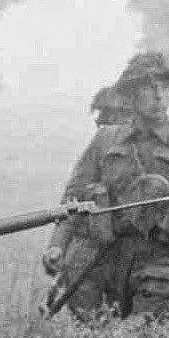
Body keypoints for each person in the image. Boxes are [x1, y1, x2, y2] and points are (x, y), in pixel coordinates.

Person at [43, 52, 169, 318]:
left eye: (165, 88)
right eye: (149, 88)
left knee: (141, 333)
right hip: (106, 260)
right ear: (132, 94)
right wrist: (57, 246)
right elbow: (72, 201)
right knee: (95, 331)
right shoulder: (105, 141)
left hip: (164, 263)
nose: (159, 96)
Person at [42, 84, 132, 315]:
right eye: (107, 117)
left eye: (118, 115)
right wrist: (57, 246)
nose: (111, 123)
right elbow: (73, 199)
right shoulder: (100, 145)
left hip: (136, 256)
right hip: (92, 250)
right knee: (86, 316)